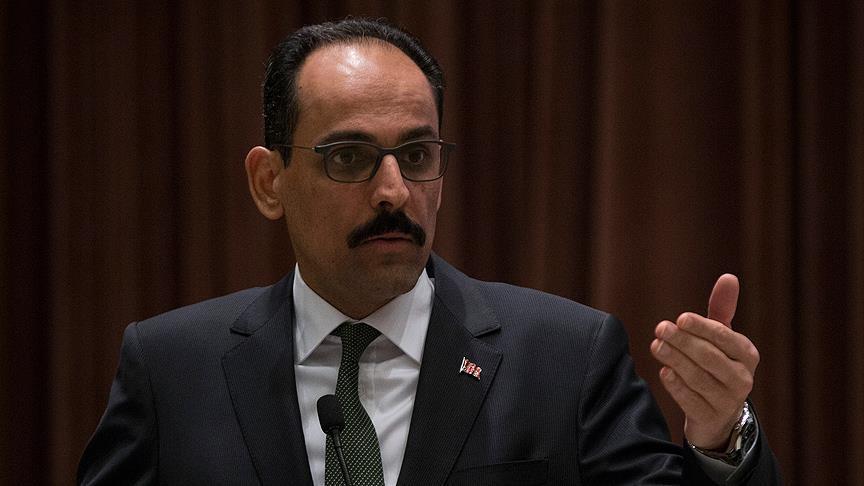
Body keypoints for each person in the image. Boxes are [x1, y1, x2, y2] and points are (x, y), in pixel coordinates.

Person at [78, 18, 781, 485]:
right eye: (349, 157)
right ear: (270, 182)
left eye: (416, 155)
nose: (393, 191)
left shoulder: (566, 357)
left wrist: (721, 438)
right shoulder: (171, 370)